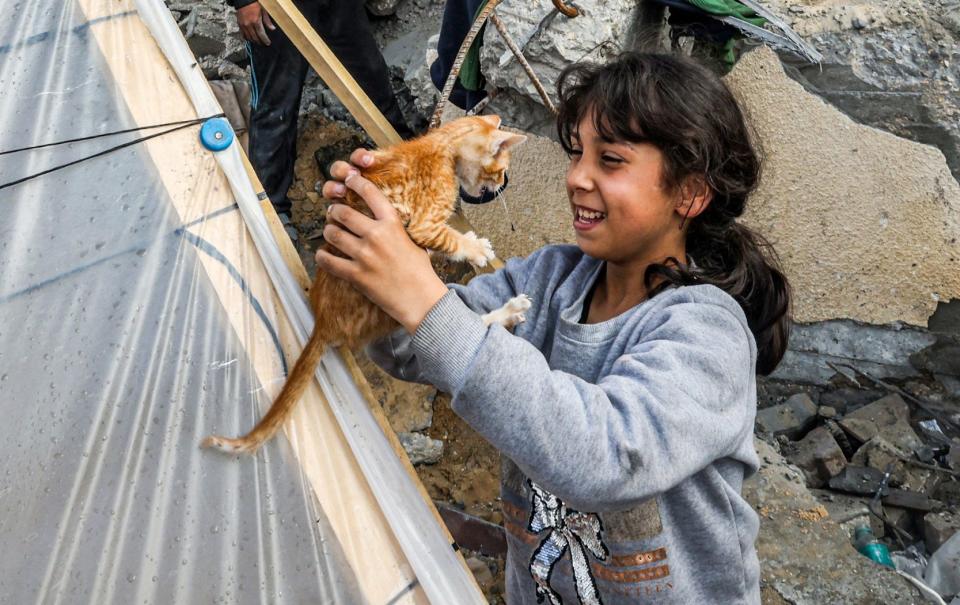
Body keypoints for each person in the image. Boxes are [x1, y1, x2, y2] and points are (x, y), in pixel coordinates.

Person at [315, 52, 790, 604]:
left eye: (610, 160)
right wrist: (377, 247)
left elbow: (608, 457)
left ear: (690, 193)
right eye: (576, 154)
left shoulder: (707, 333)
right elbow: (409, 349)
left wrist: (422, 297)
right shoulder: (548, 280)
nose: (577, 178)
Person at [227, 0, 414, 233]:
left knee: (371, 77)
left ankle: (410, 166)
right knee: (276, 106)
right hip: (274, 7)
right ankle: (273, 216)